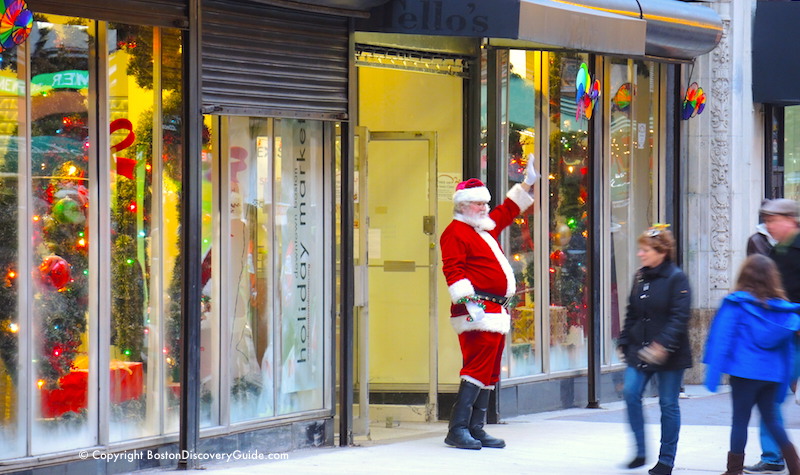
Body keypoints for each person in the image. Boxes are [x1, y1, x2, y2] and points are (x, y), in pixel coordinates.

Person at [439, 155, 538, 450]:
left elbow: (507, 211)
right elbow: (452, 270)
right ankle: (457, 429)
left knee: (491, 370)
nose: (484, 208)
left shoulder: (482, 227)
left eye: (485, 203)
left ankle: (476, 428)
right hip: (476, 310)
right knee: (476, 367)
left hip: (494, 310)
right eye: (479, 204)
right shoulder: (455, 232)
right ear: (463, 205)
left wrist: (527, 183)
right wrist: (468, 302)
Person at [704, 254, 800, 475]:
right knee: (772, 420)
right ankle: (795, 467)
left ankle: (733, 470)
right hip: (772, 375)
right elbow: (786, 348)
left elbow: (722, 338)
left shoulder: (735, 304)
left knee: (740, 421)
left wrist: (713, 376)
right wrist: (786, 378)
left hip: (744, 372)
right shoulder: (783, 311)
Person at [617, 225, 692, 475]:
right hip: (639, 349)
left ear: (661, 252)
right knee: (630, 392)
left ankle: (666, 459)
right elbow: (632, 312)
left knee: (668, 404)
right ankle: (640, 451)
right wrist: (624, 341)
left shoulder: (676, 278)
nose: (640, 254)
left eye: (645, 250)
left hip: (669, 353)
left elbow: (679, 317)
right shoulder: (640, 276)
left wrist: (662, 345)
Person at [745, 198, 800, 474]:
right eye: (766, 220)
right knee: (770, 393)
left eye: (772, 220)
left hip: (796, 333)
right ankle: (772, 455)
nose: (768, 225)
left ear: (790, 220)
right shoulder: (777, 251)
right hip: (783, 336)